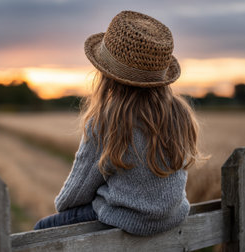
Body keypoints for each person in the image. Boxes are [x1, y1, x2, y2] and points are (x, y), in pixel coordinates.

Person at [34, 10, 201, 236]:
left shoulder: (106, 121)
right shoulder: (179, 114)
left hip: (127, 220)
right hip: (171, 218)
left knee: (41, 230)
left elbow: (74, 196)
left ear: (106, 76)